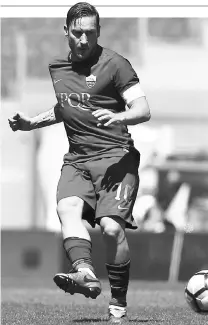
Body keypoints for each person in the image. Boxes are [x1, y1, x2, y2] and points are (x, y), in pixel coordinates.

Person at [8, 2, 151, 324]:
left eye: (89, 33)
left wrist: (119, 115)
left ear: (98, 32)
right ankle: (84, 272)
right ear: (66, 32)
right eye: (77, 33)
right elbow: (66, 107)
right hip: (78, 160)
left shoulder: (117, 65)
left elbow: (143, 110)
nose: (83, 39)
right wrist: (32, 123)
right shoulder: (57, 66)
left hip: (117, 159)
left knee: (112, 230)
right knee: (66, 208)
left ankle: (118, 307)